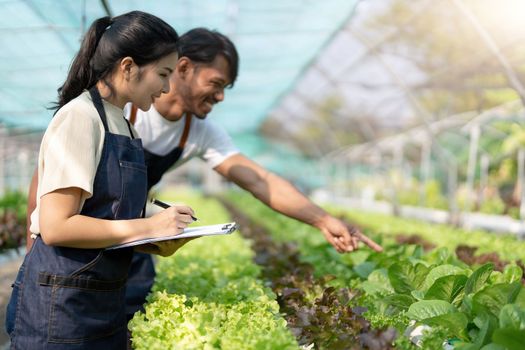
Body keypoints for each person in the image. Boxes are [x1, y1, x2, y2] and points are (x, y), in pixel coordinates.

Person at [25, 28, 382, 324]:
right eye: (216, 82)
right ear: (183, 68)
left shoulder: (198, 131)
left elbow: (259, 180)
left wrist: (322, 220)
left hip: (119, 242)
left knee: (127, 311)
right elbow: (48, 185)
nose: (221, 96)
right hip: (70, 249)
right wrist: (33, 260)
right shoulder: (120, 108)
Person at [8, 11, 194, 349]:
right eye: (163, 74)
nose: (167, 88)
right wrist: (148, 228)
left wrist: (159, 237)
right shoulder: (80, 117)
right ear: (128, 66)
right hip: (61, 308)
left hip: (102, 300)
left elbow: (107, 217)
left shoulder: (123, 125)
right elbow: (57, 227)